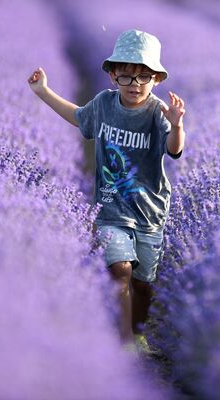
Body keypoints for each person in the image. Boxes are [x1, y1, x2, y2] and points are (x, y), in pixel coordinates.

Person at [27, 29, 186, 355]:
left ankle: (138, 334)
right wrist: (43, 91)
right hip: (111, 207)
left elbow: (174, 150)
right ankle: (122, 340)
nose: (134, 85)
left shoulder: (157, 112)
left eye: (143, 78)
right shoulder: (103, 104)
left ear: (156, 79)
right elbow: (78, 117)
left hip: (149, 210)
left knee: (142, 283)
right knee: (120, 270)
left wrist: (177, 124)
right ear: (113, 75)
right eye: (126, 77)